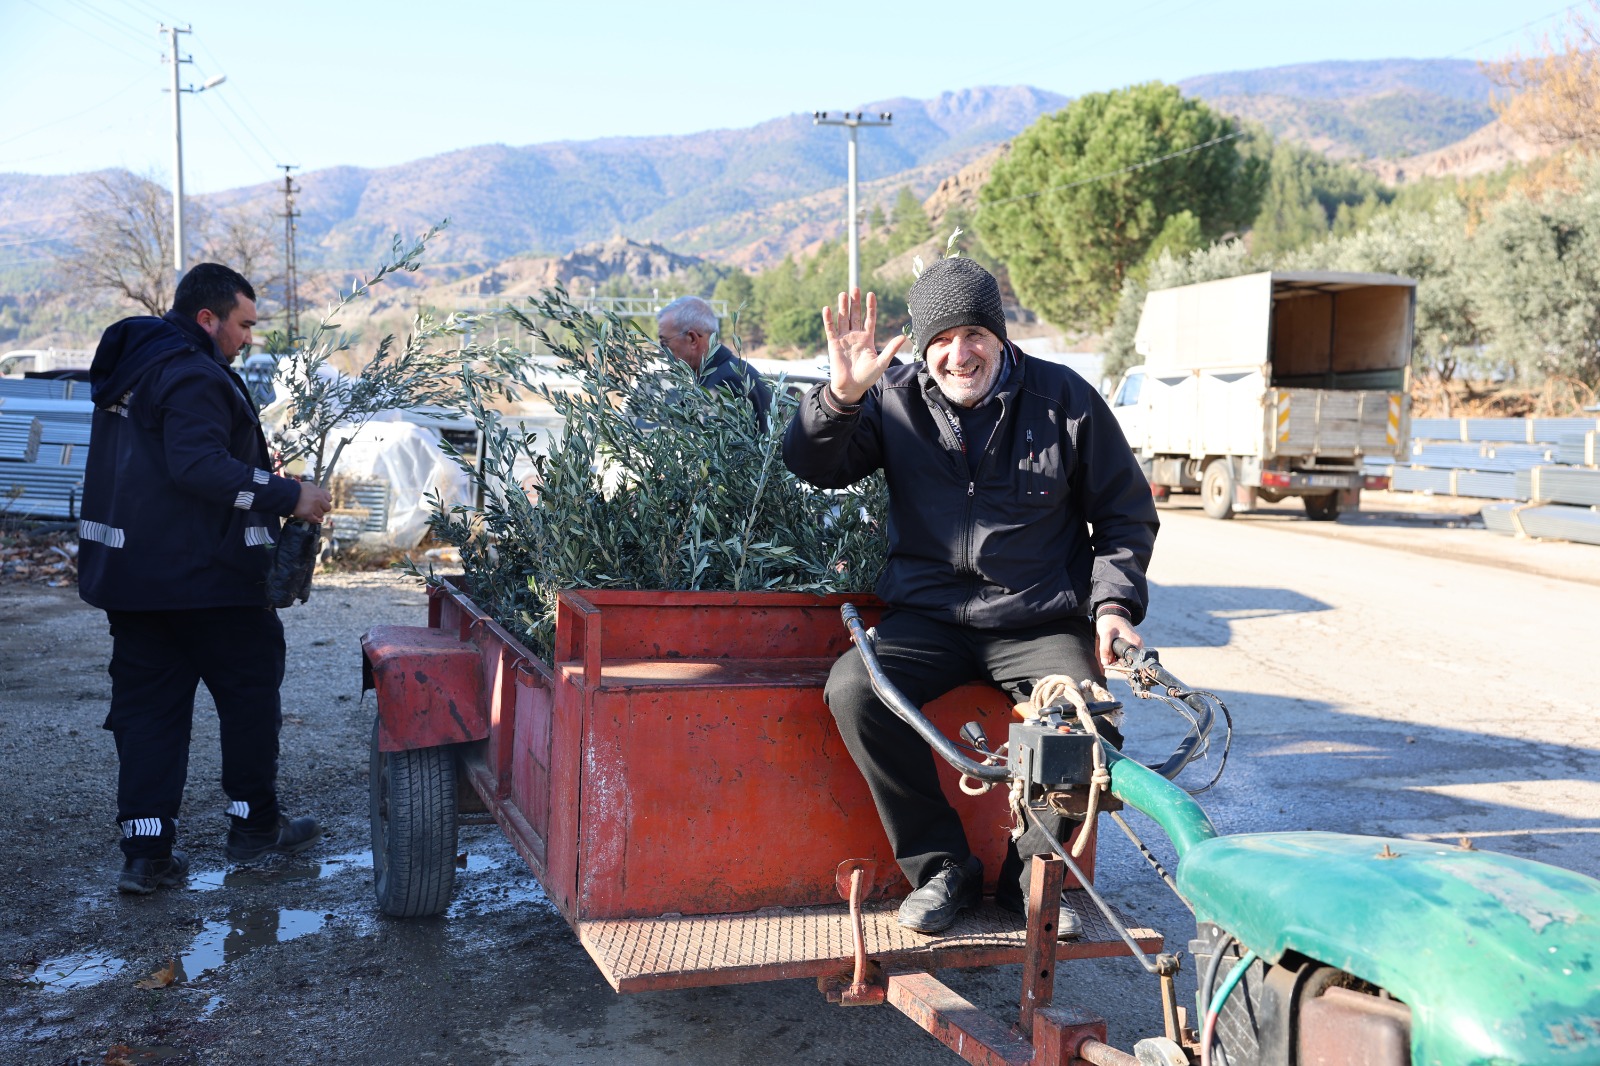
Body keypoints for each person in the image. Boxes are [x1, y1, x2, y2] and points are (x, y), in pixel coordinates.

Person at [782, 257, 1158, 934]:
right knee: (855, 690)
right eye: (943, 339)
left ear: (1001, 336)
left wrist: (1112, 607)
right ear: (925, 348)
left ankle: (1032, 879)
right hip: (928, 618)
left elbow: (1126, 515)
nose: (961, 353)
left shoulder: (1065, 401)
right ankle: (941, 868)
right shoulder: (891, 399)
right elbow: (814, 466)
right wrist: (838, 399)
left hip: (1039, 620)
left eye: (975, 334)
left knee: (1085, 721)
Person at [78, 262, 334, 895]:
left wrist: (249, 465)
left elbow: (167, 467)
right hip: (210, 583)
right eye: (244, 325)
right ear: (207, 318)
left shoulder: (137, 370)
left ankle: (146, 855)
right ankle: (254, 827)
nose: (249, 338)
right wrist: (288, 494)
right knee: (248, 700)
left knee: (148, 716)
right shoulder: (192, 373)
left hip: (135, 583)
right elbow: (196, 466)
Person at [656, 295, 773, 427]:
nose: (661, 351)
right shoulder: (727, 372)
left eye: (664, 342)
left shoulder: (724, 384)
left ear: (692, 339)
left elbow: (720, 446)